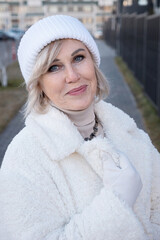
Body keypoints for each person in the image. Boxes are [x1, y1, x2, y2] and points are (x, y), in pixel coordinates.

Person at [0, 15, 160, 240]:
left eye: (78, 58)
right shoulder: (24, 158)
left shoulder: (130, 133)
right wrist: (116, 203)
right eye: (54, 67)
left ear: (93, 63)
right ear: (38, 83)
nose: (72, 76)